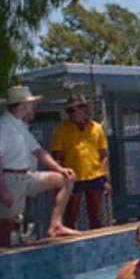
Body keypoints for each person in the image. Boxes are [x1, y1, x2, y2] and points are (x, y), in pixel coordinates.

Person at [0, 85, 80, 246]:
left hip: (26, 176)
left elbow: (39, 152)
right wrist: (2, 190)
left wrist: (61, 169)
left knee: (64, 180)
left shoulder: (21, 125)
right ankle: (1, 261)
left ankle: (55, 225)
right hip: (7, 179)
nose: (33, 106)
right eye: (31, 103)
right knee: (6, 225)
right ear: (22, 105)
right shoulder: (1, 125)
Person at [50, 93, 111, 230]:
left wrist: (106, 179)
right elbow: (57, 158)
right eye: (68, 111)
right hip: (72, 177)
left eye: (74, 109)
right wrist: (59, 180)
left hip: (94, 175)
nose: (71, 113)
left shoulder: (96, 128)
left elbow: (103, 155)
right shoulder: (61, 130)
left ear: (83, 109)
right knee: (71, 215)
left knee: (96, 216)